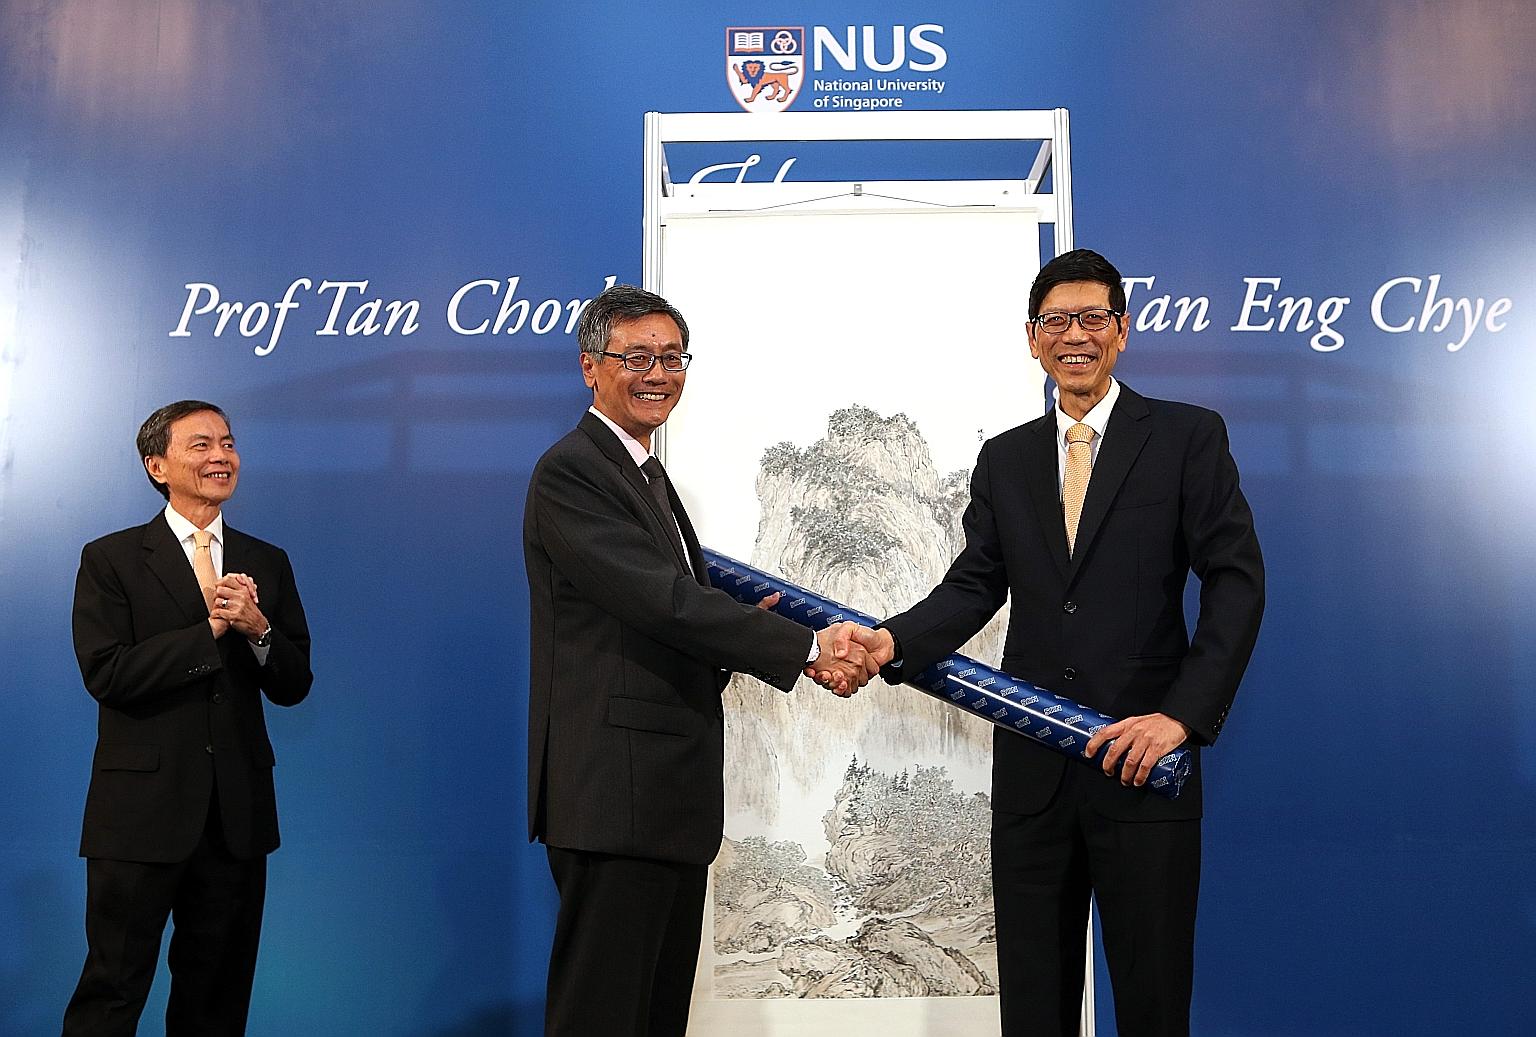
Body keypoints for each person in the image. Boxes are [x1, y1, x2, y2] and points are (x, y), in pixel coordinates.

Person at [822, 249, 1264, 1037]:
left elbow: (1236, 582)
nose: (1075, 335)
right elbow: (973, 586)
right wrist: (888, 641)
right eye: (1056, 320)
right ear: (1032, 337)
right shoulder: (1006, 458)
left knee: (1154, 1004)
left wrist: (1182, 718)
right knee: (1033, 1008)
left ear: (1122, 331)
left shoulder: (1188, 438)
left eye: (1093, 318)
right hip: (1032, 778)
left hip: (1142, 763)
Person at [524, 284, 875, 1036]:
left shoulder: (644, 472)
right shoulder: (574, 471)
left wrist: (744, 635)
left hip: (659, 800)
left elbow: (664, 623)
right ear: (591, 366)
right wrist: (809, 646)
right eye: (636, 357)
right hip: (614, 799)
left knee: (651, 1017)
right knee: (603, 1016)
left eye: (673, 357)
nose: (658, 373)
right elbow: (663, 602)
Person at [63, 401, 313, 1037]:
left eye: (228, 444)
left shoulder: (268, 559)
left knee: (217, 998)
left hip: (235, 817)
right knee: (112, 990)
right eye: (200, 445)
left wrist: (258, 630)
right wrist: (211, 631)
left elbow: (294, 683)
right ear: (157, 466)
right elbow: (109, 675)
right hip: (139, 814)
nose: (220, 457)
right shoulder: (111, 559)